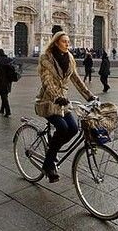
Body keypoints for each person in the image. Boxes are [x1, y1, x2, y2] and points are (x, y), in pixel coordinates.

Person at [35, 31, 96, 183]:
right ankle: (48, 165)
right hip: (48, 102)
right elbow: (47, 82)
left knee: (74, 129)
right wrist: (56, 97)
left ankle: (52, 149)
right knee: (62, 128)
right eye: (64, 41)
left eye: (68, 41)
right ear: (56, 43)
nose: (67, 44)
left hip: (63, 102)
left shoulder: (69, 57)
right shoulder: (46, 59)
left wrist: (89, 96)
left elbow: (75, 79)